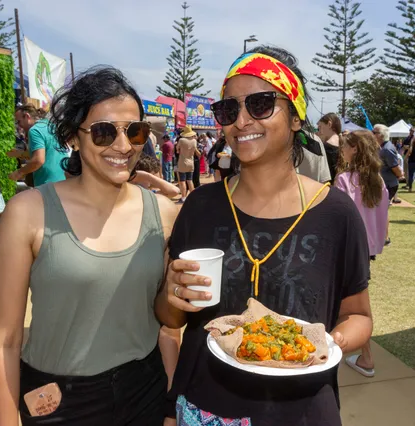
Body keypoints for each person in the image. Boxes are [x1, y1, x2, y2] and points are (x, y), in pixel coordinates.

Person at [155, 46, 372, 425]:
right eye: (228, 109)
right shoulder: (200, 206)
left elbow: (358, 316)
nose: (241, 121)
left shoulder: (336, 214)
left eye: (260, 104)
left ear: (295, 117)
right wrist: (171, 295)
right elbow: (170, 320)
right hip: (205, 408)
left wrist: (325, 345)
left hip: (301, 411)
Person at [0, 66, 177, 425]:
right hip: (59, 403)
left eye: (135, 131)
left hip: (145, 392)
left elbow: (167, 329)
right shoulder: (28, 213)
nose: (123, 146)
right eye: (104, 132)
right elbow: (3, 342)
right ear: (74, 136)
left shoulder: (164, 214)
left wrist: (170, 409)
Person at [334, 130, 387, 378]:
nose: (342, 150)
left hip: (347, 248)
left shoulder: (345, 180)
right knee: (359, 304)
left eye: (345, 146)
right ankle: (364, 356)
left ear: (354, 148)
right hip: (366, 249)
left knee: (353, 307)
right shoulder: (377, 181)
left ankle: (366, 357)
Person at [11, 104, 69, 186]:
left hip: (48, 183)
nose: (19, 126)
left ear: (27, 116)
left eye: (19, 121)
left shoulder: (34, 130)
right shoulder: (50, 126)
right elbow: (47, 152)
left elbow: (38, 160)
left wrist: (19, 173)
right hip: (64, 179)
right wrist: (19, 154)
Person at [373, 124, 400, 244]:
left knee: (382, 210)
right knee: (380, 209)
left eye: (374, 132)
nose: (372, 134)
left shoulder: (387, 149)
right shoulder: (381, 147)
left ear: (381, 135)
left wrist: (400, 175)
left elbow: (395, 167)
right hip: (383, 183)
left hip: (388, 184)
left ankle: (385, 238)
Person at [176, 126, 199, 202]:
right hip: (191, 162)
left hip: (183, 162)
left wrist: (178, 150)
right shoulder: (194, 141)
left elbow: (177, 149)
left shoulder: (181, 140)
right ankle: (193, 196)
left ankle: (183, 197)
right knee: (190, 180)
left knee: (182, 181)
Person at [317, 113, 341, 182]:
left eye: (320, 127)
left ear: (329, 124)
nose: (319, 131)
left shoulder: (327, 146)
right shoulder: (344, 143)